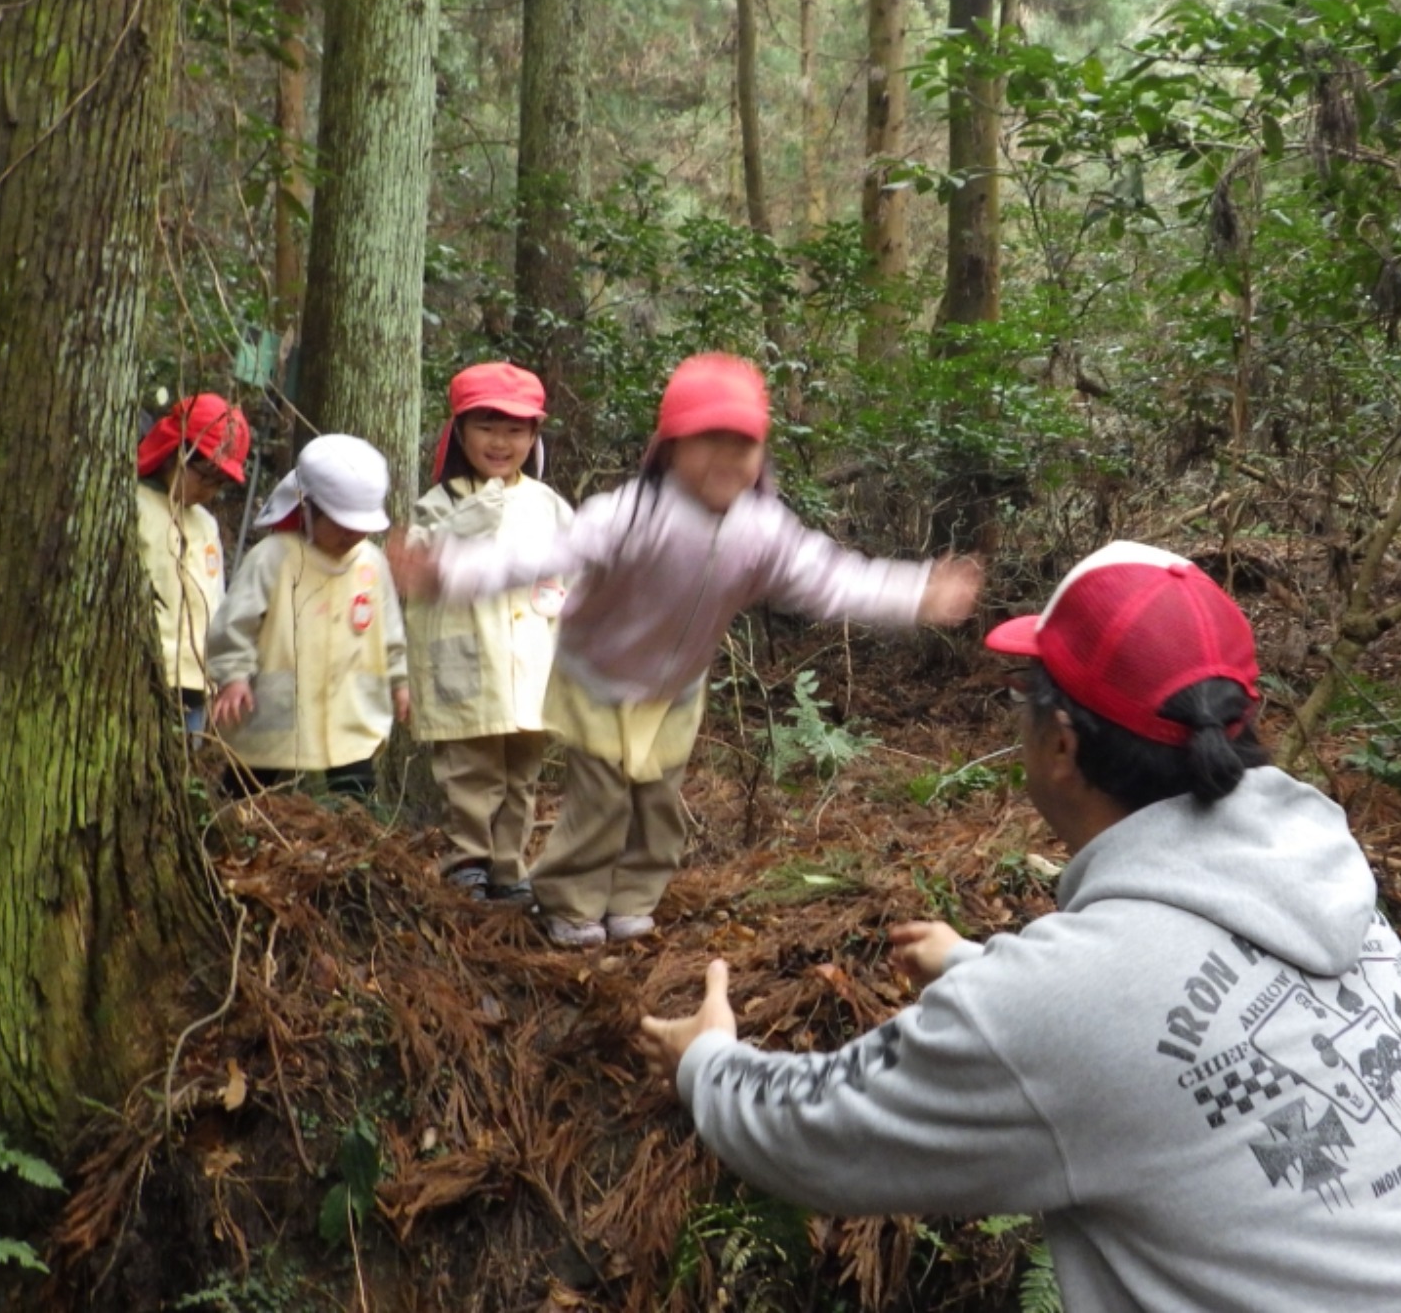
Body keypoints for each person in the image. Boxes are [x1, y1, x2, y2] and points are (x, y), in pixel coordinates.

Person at [638, 541, 1401, 1313]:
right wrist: (979, 972)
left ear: (1058, 742)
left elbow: (814, 1136)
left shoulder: (1059, 1000)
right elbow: (1215, 1037)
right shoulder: (1317, 878)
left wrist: (707, 1060)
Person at [394, 352, 982, 948]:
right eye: (709, 442)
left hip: (675, 690)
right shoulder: (634, 514)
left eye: (743, 444)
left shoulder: (763, 529)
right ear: (671, 448)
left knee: (657, 806)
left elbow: (834, 579)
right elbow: (540, 555)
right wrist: (449, 571)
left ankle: (631, 900)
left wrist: (916, 595)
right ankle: (569, 902)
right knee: (598, 803)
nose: (727, 460)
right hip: (598, 678)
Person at [406, 362, 573, 903]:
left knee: (521, 774)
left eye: (515, 429)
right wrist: (458, 531)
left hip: (531, 663)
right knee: (470, 772)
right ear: (459, 431)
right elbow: (415, 568)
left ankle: (509, 866)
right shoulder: (441, 502)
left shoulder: (548, 505)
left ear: (534, 435)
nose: (500, 441)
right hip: (467, 661)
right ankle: (468, 862)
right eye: (486, 425)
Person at [207, 433, 411, 799]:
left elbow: (390, 632)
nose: (351, 535)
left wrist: (400, 681)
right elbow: (235, 623)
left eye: (359, 527)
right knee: (249, 782)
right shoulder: (273, 557)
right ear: (307, 506)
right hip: (274, 707)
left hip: (351, 707)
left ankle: (351, 843)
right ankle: (227, 832)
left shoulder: (371, 564)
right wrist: (233, 675)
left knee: (353, 786)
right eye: (340, 524)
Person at [135, 393, 251, 734]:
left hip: (196, 684)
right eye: (204, 475)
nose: (209, 491)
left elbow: (216, 606)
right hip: (147, 673)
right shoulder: (135, 506)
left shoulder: (206, 525)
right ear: (174, 451)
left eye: (220, 483)